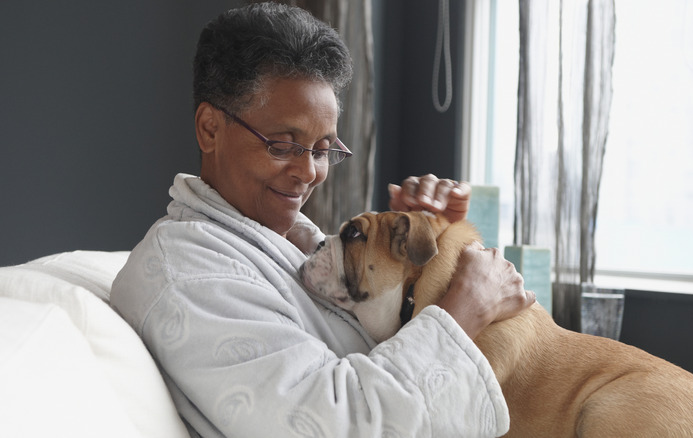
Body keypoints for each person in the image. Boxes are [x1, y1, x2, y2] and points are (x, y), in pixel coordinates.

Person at [110, 3, 534, 437]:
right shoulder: (187, 272)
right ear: (209, 129)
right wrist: (462, 308)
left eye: (322, 149)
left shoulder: (282, 239)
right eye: (282, 144)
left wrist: (425, 273)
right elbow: (330, 424)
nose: (310, 171)